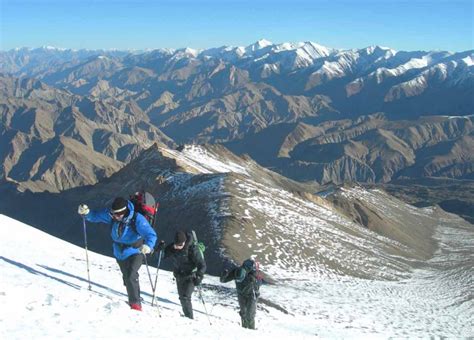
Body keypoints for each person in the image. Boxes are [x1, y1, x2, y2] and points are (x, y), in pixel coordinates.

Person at [77, 197, 157, 311]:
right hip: (119, 252)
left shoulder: (137, 219)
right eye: (114, 214)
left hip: (136, 251)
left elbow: (151, 234)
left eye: (117, 214)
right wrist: (87, 213)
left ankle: (135, 304)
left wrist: (148, 246)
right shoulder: (113, 215)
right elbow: (96, 216)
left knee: (130, 275)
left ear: (124, 212)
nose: (115, 217)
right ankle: (135, 292)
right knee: (127, 276)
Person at [163, 231, 206, 319]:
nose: (177, 248)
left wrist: (199, 276)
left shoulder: (192, 249)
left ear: (184, 242)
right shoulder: (173, 247)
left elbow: (202, 265)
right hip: (179, 275)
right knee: (182, 297)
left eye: (179, 245)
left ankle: (189, 318)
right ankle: (187, 316)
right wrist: (160, 249)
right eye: (176, 245)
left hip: (191, 275)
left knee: (185, 297)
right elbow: (162, 256)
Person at [220, 258, 261, 329]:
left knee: (249, 314)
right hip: (243, 294)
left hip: (251, 294)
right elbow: (223, 280)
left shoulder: (252, 273)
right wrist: (223, 276)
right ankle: (245, 330)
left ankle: (250, 331)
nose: (238, 280)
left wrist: (223, 276)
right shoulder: (237, 271)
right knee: (245, 313)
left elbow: (259, 282)